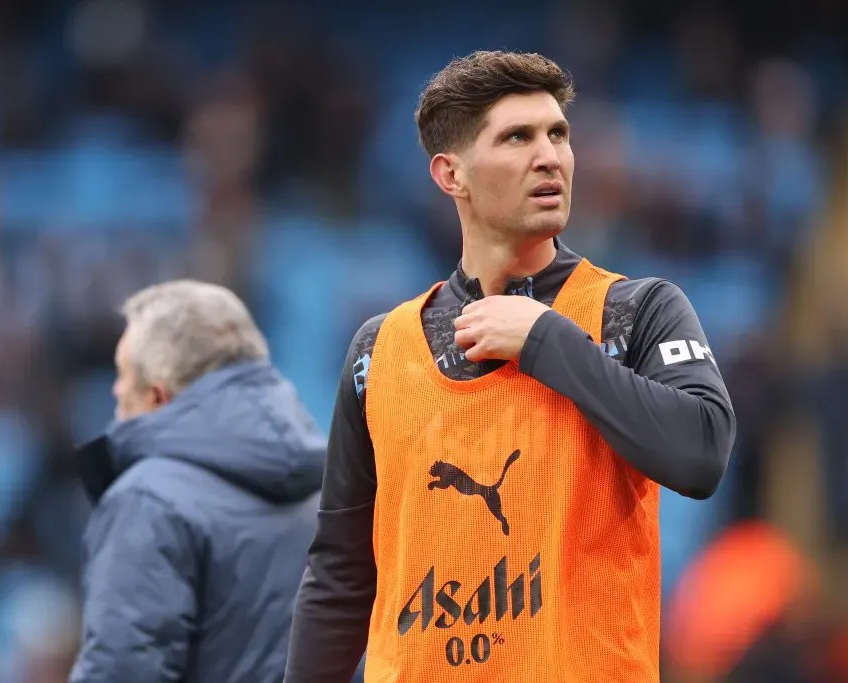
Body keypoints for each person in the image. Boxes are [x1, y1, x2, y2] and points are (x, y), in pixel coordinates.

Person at [284, 50, 736, 683]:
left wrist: (549, 342)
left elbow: (701, 454)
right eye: (517, 137)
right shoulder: (377, 350)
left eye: (558, 134)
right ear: (451, 175)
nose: (550, 155)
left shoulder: (635, 311)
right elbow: (340, 570)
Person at [70, 280, 325, 683]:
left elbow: (123, 670)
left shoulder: (147, 500)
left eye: (122, 374)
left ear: (158, 396)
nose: (115, 389)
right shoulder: (329, 490)